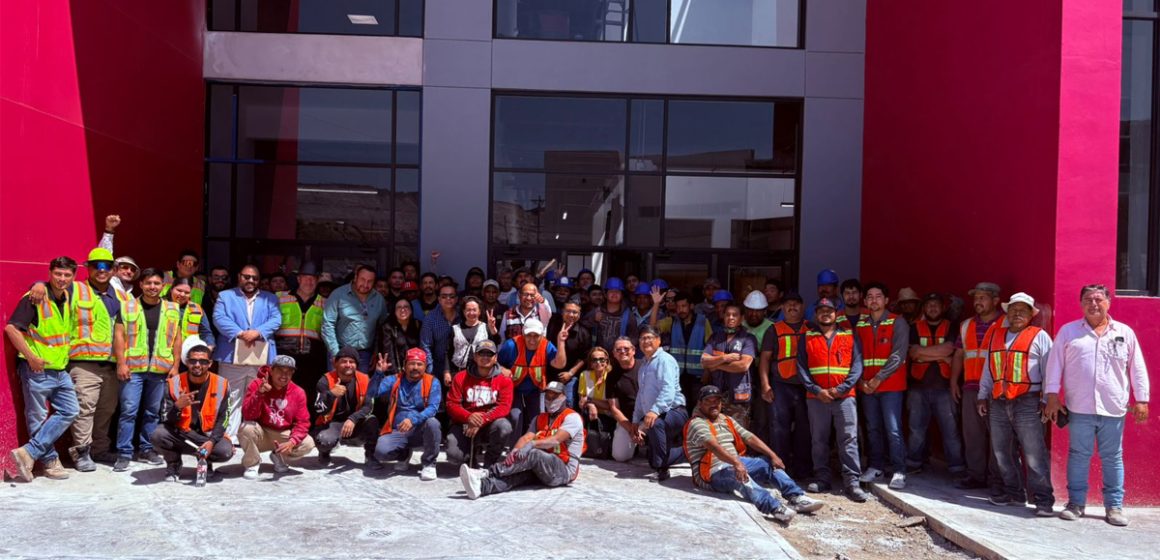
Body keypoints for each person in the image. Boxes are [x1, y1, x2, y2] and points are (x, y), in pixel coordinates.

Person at [1045, 284, 1150, 526]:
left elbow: (1137, 367)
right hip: (1079, 407)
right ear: (1081, 304)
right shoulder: (1069, 332)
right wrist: (1052, 395)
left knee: (1113, 457)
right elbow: (1054, 364)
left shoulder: (1124, 332)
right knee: (1078, 455)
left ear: (1108, 303)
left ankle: (1114, 507)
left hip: (1113, 407)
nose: (1093, 304)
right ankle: (1075, 504)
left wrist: (1141, 399)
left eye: (1098, 299)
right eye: (1088, 300)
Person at [28, 248, 125, 469]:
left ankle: (100, 449)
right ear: (88, 268)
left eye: (107, 266)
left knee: (107, 410)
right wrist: (39, 284)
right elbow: (51, 287)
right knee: (84, 410)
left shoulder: (121, 296)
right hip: (83, 364)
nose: (102, 270)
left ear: (113, 270)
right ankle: (82, 453)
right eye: (96, 266)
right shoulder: (76, 288)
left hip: (111, 365)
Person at [684, 385, 824, 523]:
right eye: (708, 401)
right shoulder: (697, 423)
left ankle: (796, 497)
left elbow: (749, 437)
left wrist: (773, 455)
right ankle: (775, 508)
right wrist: (736, 463)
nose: (713, 404)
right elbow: (714, 447)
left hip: (734, 463)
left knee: (768, 464)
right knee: (738, 476)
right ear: (699, 403)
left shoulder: (726, 419)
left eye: (716, 400)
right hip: (712, 473)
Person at [976, 292, 1055, 516]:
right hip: (998, 401)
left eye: (1023, 310)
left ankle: (1043, 500)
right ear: (1007, 313)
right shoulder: (996, 335)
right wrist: (982, 394)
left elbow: (1050, 370)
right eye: (1013, 309)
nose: (1017, 313)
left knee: (1034, 453)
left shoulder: (1040, 336)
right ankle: (1014, 493)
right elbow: (988, 369)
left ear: (1031, 315)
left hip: (1028, 402)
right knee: (1002, 452)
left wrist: (1046, 399)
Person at [5, 256, 81, 482]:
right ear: (50, 273)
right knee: (37, 417)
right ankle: (49, 461)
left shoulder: (67, 296)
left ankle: (28, 452)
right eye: (58, 274)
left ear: (74, 276)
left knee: (70, 410)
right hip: (36, 369)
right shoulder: (35, 297)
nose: (62, 279)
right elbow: (11, 329)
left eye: (67, 275)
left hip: (59, 369)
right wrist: (31, 358)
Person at [459, 381, 585, 499]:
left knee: (534, 453)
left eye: (555, 396)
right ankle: (481, 487)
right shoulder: (539, 418)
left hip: (564, 470)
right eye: (548, 395)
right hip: (542, 467)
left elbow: (556, 440)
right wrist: (514, 452)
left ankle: (487, 473)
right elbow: (527, 437)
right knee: (516, 476)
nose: (550, 399)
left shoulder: (572, 417)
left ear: (564, 397)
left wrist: (532, 444)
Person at [797, 298, 868, 502]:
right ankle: (822, 478)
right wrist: (817, 390)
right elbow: (801, 368)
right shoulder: (807, 337)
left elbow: (857, 366)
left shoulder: (849, 335)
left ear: (837, 314)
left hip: (845, 397)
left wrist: (841, 389)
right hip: (816, 397)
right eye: (821, 310)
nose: (825, 313)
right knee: (819, 440)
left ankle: (852, 482)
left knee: (848, 439)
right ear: (816, 314)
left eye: (829, 310)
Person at [113, 268, 183, 472]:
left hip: (160, 369)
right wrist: (121, 363)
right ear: (141, 285)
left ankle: (147, 449)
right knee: (128, 411)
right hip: (133, 369)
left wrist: (175, 366)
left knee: (152, 413)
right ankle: (124, 453)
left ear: (163, 286)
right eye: (148, 283)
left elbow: (177, 339)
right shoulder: (128, 307)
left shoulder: (172, 309)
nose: (152, 287)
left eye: (157, 283)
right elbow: (119, 336)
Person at [212, 264, 282, 441]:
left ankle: (251, 437)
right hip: (231, 356)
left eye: (255, 278)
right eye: (247, 277)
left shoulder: (270, 298)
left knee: (257, 396)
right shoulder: (225, 296)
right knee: (230, 397)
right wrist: (241, 333)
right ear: (239, 277)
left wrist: (257, 332)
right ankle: (229, 437)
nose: (250, 280)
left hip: (260, 357)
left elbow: (276, 319)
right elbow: (219, 318)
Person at [951, 281, 1008, 493]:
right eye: (976, 298)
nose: (977, 302)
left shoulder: (1006, 323)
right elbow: (959, 354)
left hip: (997, 389)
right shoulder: (966, 325)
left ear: (996, 300)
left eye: (982, 298)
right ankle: (976, 475)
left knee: (998, 437)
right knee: (972, 434)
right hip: (970, 387)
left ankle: (997, 479)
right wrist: (953, 382)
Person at [151, 341, 233, 482]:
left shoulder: (222, 384)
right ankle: (174, 463)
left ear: (210, 363)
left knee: (225, 451)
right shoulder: (173, 383)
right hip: (182, 434)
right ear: (187, 362)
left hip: (207, 435)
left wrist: (212, 441)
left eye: (203, 361)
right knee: (158, 435)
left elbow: (223, 419)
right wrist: (177, 407)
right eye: (193, 361)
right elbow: (165, 419)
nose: (197, 365)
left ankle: (206, 461)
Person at [854, 282, 910, 489]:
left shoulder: (898, 322)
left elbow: (898, 355)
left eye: (878, 296)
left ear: (886, 300)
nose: (874, 300)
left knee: (893, 429)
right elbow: (856, 355)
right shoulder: (861, 325)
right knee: (873, 428)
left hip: (890, 386)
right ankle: (875, 466)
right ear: (865, 301)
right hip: (867, 386)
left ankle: (899, 470)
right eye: (870, 296)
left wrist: (878, 378)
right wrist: (861, 381)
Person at [906, 293, 966, 478]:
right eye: (929, 305)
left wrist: (923, 353)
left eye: (936, 304)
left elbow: (950, 349)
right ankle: (914, 463)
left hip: (945, 388)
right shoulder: (914, 327)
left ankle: (956, 467)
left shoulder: (952, 326)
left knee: (950, 431)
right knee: (916, 430)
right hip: (918, 388)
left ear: (943, 307)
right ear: (924, 308)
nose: (932, 308)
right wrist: (942, 357)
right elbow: (912, 353)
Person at [758, 292, 812, 479]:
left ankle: (803, 470)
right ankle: (780, 470)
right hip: (780, 385)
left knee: (805, 429)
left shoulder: (811, 328)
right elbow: (764, 359)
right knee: (779, 429)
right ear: (782, 307)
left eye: (796, 304)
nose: (792, 307)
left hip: (806, 386)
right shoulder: (773, 330)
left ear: (802, 307)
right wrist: (765, 385)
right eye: (788, 304)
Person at [239, 355, 315, 478]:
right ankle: (252, 463)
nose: (284, 375)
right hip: (262, 432)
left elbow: (303, 422)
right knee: (246, 427)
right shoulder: (257, 384)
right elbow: (247, 414)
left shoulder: (298, 392)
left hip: (283, 434)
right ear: (271, 370)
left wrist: (292, 442)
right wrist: (259, 394)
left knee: (308, 443)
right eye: (280, 370)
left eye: (289, 372)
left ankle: (279, 455)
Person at [372, 348, 442, 480]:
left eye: (419, 364)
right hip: (398, 430)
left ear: (425, 366)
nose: (415, 367)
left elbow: (433, 408)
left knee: (433, 423)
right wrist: (378, 373)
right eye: (411, 363)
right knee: (381, 452)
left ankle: (429, 463)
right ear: (405, 365)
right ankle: (403, 455)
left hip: (419, 430)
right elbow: (373, 393)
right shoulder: (394, 380)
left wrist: (413, 420)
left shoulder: (432, 382)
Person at [497, 318, 569, 439]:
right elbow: (496, 363)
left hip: (535, 389)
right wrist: (502, 369)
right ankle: (513, 446)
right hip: (514, 388)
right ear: (523, 334)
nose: (532, 340)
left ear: (542, 335)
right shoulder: (511, 345)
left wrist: (560, 342)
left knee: (537, 418)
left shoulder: (546, 345)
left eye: (536, 336)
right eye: (528, 335)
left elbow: (559, 364)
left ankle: (533, 445)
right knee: (515, 416)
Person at [446, 340, 514, 468]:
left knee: (504, 427)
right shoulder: (460, 377)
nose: (485, 357)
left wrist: (482, 419)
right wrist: (468, 417)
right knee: (454, 456)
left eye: (489, 354)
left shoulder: (505, 380)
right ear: (475, 357)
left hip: (489, 423)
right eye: (481, 353)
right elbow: (451, 404)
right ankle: (469, 459)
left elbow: (504, 407)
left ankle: (490, 461)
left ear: (495, 358)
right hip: (465, 423)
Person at [632, 326, 688, 481]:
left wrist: (655, 411)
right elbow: (641, 395)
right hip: (658, 414)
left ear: (658, 340)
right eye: (642, 338)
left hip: (675, 411)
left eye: (649, 338)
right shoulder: (644, 365)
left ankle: (662, 470)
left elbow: (668, 389)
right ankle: (688, 451)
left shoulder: (665, 360)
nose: (646, 341)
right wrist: (636, 421)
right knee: (652, 459)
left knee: (654, 423)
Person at [312, 346, 380, 468]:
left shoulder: (364, 379)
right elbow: (318, 409)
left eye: (352, 362)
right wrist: (331, 394)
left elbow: (368, 406)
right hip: (332, 423)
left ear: (356, 364)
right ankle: (325, 453)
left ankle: (370, 455)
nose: (348, 365)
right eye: (344, 361)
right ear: (336, 363)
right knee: (324, 440)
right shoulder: (325, 380)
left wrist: (353, 419)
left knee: (372, 421)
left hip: (354, 423)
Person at [275, 263, 327, 410]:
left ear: (317, 281)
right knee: (282, 394)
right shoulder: (280, 298)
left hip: (312, 358)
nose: (309, 282)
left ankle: (305, 422)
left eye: (313, 279)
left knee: (308, 395)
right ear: (298, 279)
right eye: (305, 278)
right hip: (285, 355)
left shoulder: (324, 302)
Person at [321, 264, 385, 372]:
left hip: (365, 355)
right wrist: (335, 353)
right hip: (340, 350)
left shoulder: (379, 299)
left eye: (370, 281)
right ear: (355, 277)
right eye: (362, 279)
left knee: (362, 383)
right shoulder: (338, 295)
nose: (365, 284)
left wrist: (376, 352)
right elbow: (327, 324)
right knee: (337, 383)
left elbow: (382, 329)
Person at [701, 304, 757, 426]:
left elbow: (743, 366)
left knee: (738, 433)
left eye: (734, 315)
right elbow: (704, 361)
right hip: (716, 396)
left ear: (741, 318)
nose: (730, 318)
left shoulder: (748, 339)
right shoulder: (715, 337)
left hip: (738, 398)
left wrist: (716, 365)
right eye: (727, 314)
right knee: (715, 431)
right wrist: (725, 358)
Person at [659, 291, 713, 411]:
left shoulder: (703, 322)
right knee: (680, 409)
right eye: (678, 307)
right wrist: (656, 304)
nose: (680, 310)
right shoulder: (671, 321)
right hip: (678, 377)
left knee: (699, 409)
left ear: (691, 306)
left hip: (698, 376)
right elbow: (652, 328)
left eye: (684, 306)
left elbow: (710, 348)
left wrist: (707, 371)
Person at [742, 290, 775, 443]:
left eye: (758, 311)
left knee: (762, 417)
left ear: (765, 311)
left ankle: (761, 450)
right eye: (750, 310)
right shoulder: (739, 324)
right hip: (741, 376)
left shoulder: (772, 327)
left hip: (763, 376)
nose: (753, 314)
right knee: (742, 415)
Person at [546, 299, 591, 407]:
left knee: (568, 403)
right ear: (562, 312)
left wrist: (570, 373)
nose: (571, 315)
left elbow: (584, 357)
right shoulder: (552, 325)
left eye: (575, 312)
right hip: (548, 372)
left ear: (579, 315)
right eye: (568, 311)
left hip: (569, 376)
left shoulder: (583, 333)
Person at [449, 296, 500, 377]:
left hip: (480, 372)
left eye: (474, 310)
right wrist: (447, 371)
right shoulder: (455, 329)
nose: (471, 313)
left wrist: (493, 329)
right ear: (463, 311)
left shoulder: (486, 327)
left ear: (479, 311)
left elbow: (496, 343)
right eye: (468, 310)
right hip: (457, 371)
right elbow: (448, 351)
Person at [420, 283, 461, 381]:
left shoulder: (463, 315)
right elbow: (426, 346)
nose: (448, 299)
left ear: (456, 299)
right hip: (437, 368)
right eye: (444, 296)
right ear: (438, 299)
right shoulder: (430, 318)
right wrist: (430, 372)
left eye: (451, 296)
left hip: (461, 367)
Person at [584, 277, 634, 352]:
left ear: (622, 295)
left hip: (620, 355)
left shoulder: (628, 315)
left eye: (617, 291)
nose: (614, 294)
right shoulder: (597, 311)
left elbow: (634, 338)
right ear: (605, 294)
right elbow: (582, 328)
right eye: (611, 291)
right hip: (599, 356)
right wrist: (593, 321)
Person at [577, 346, 618, 435]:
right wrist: (591, 405)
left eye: (601, 359)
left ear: (607, 362)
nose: (598, 362)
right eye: (594, 360)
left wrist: (590, 400)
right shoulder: (584, 375)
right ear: (591, 363)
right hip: (589, 415)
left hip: (610, 418)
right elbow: (582, 402)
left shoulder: (612, 377)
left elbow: (610, 406)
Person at [169, 277, 215, 351]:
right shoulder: (161, 305)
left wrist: (209, 347)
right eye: (179, 290)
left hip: (189, 352)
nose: (182, 294)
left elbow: (206, 333)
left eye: (187, 292)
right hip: (166, 352)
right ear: (171, 289)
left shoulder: (197, 309)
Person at [378, 297, 421, 375]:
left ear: (411, 310)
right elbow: (388, 353)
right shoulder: (388, 327)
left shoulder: (418, 325)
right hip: (397, 370)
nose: (402, 310)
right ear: (394, 311)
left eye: (406, 307)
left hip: (416, 370)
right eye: (399, 307)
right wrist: (395, 375)